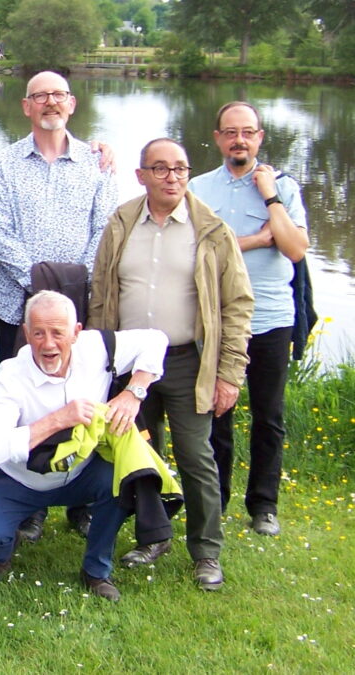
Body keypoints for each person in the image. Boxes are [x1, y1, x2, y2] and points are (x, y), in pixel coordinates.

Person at [88, 138, 253, 590]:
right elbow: (101, 294)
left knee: (196, 457)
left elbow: (238, 305)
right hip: (127, 362)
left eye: (179, 168)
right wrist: (97, 361)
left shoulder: (211, 230)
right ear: (141, 175)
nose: (172, 177)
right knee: (140, 452)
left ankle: (206, 552)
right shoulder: (121, 222)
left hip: (185, 363)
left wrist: (228, 374)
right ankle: (153, 537)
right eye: (160, 169)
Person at [0, 70, 118, 540]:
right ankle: (30, 499)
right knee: (24, 404)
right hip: (14, 307)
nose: (49, 103)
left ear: (72, 104)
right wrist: (43, 295)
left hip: (77, 314)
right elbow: (1, 239)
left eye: (57, 95)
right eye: (39, 96)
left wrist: (66, 300)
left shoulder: (97, 164)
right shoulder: (3, 163)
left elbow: (103, 234)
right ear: (26, 106)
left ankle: (80, 497)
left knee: (82, 397)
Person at [0, 291, 169, 602]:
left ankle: (96, 571)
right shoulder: (8, 376)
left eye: (57, 333)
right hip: (23, 480)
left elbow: (156, 339)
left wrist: (134, 392)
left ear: (76, 333)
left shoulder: (98, 346)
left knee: (119, 481)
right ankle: (2, 552)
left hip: (83, 472)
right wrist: (57, 420)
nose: (47, 344)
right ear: (26, 334)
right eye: (38, 333)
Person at [188, 102, 309, 537]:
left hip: (271, 317)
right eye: (231, 132)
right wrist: (260, 238)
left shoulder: (283, 188)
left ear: (259, 137)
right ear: (218, 138)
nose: (240, 139)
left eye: (248, 132)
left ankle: (264, 505)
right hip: (217, 318)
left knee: (268, 416)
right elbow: (200, 251)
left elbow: (295, 248)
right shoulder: (198, 188)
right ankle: (215, 498)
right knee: (217, 412)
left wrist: (270, 196)